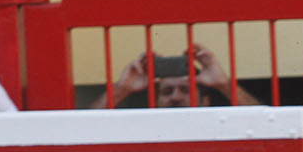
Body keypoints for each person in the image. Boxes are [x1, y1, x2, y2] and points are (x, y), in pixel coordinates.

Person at [90, 44, 261, 108]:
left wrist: (224, 85)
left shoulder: (218, 126)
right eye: (167, 92)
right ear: (155, 102)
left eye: (185, 90)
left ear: (205, 102)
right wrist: (121, 89)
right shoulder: (145, 129)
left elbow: (266, 123)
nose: (176, 97)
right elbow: (82, 129)